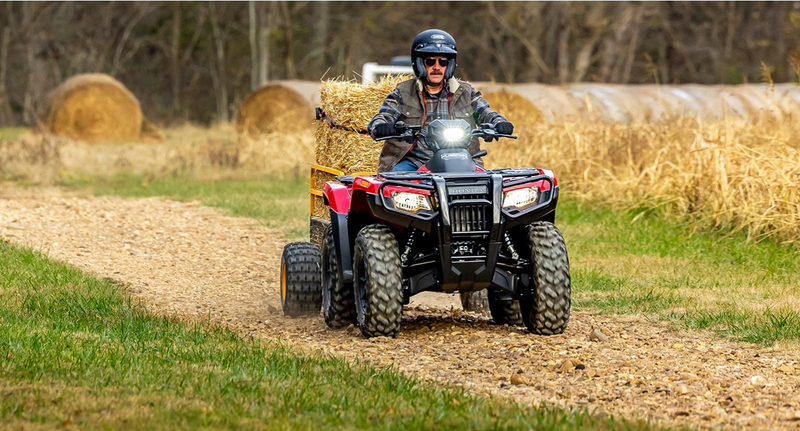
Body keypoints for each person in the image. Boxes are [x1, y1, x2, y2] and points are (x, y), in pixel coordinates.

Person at [368, 29, 514, 173]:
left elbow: (485, 112)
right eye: (430, 61)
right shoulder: (403, 92)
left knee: (486, 183)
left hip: (461, 159)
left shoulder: (466, 92)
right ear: (419, 63)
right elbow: (383, 116)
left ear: (449, 65)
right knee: (396, 182)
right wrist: (382, 125)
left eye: (443, 62)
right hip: (414, 161)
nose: (437, 67)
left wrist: (499, 122)